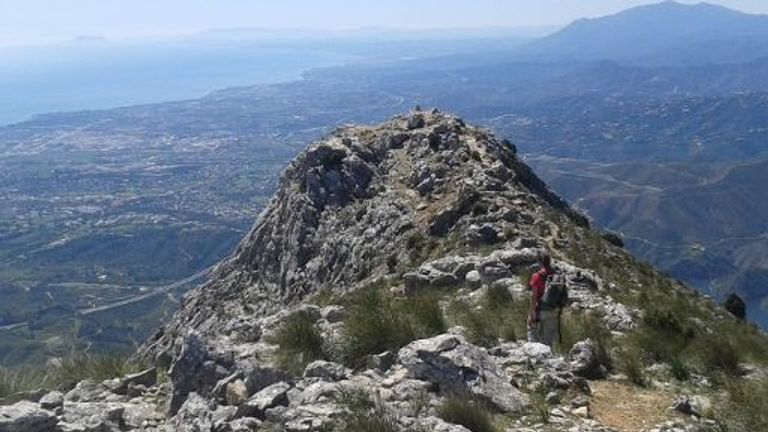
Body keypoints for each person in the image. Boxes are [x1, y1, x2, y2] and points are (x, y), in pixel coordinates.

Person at [527, 253, 559, 347]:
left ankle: (533, 356)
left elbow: (533, 297)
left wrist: (532, 314)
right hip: (553, 310)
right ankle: (550, 359)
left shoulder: (536, 276)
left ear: (540, 262)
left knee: (532, 332)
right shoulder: (556, 276)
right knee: (549, 340)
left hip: (540, 309)